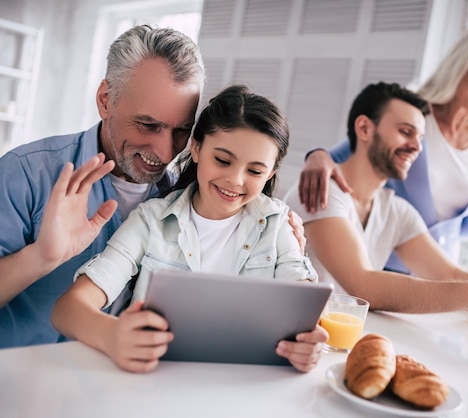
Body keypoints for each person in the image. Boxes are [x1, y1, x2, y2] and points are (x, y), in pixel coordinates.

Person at [0, 25, 305, 349]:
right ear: (106, 100)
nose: (164, 152)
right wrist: (41, 257)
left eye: (181, 131)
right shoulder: (27, 173)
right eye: (148, 125)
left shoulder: (183, 195)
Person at [52, 85, 326, 373]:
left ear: (270, 173)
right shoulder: (151, 220)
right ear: (196, 148)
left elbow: (304, 305)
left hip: (245, 389)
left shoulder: (279, 225)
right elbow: (67, 310)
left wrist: (309, 343)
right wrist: (113, 335)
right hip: (154, 387)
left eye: (255, 171)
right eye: (222, 160)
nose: (235, 180)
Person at [284, 82, 468, 342]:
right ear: (364, 128)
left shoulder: (397, 210)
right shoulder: (320, 189)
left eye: (420, 137)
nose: (416, 146)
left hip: (343, 343)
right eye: (405, 132)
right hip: (299, 341)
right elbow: (364, 285)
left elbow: (448, 273)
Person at [297, 27, 468, 273]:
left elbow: (457, 228)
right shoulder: (415, 117)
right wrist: (316, 156)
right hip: (381, 268)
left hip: (439, 275)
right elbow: (346, 152)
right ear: (460, 66)